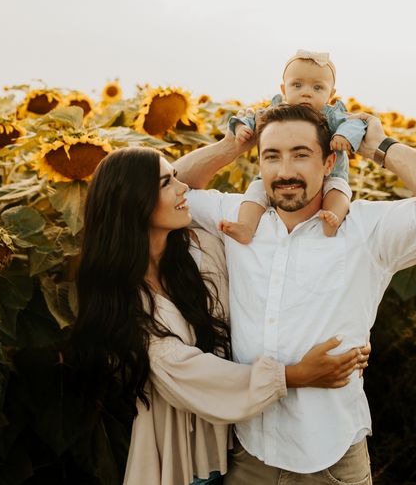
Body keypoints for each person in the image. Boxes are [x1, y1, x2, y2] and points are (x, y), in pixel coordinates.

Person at [174, 103, 416, 484]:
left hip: (329, 458)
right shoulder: (237, 218)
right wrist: (231, 145)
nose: (285, 171)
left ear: (329, 163)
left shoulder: (366, 229)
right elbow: (163, 187)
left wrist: (377, 145)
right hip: (248, 453)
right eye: (271, 156)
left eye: (301, 155)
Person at [70, 146, 369, 485]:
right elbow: (188, 371)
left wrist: (237, 141)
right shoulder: (123, 298)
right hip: (183, 462)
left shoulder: (199, 248)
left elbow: (275, 282)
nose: (184, 189)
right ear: (132, 201)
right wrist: (296, 375)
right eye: (167, 182)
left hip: (239, 445)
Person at [225, 49, 366, 243]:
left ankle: (332, 219)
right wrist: (241, 128)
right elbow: (249, 118)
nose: (306, 93)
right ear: (284, 90)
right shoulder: (276, 112)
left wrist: (344, 135)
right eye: (297, 85)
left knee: (338, 190)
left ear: (331, 94)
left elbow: (356, 123)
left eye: (317, 88)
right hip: (273, 177)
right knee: (255, 191)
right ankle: (246, 226)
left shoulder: (333, 115)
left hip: (332, 172)